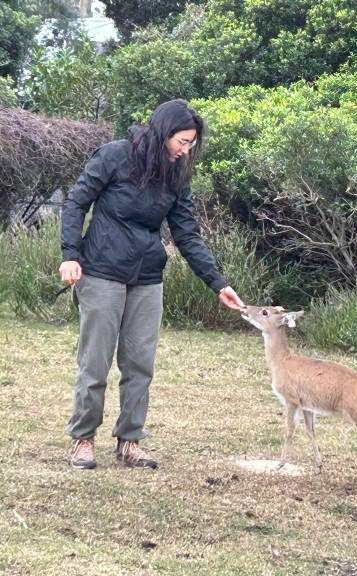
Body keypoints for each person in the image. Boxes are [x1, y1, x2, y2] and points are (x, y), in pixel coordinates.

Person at [58, 99, 244, 470]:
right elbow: (76, 203)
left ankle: (130, 441)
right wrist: (70, 254)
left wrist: (217, 283)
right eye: (183, 141)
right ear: (164, 131)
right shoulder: (114, 156)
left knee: (140, 365)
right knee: (94, 363)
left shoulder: (177, 176)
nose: (186, 149)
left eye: (192, 144)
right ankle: (83, 439)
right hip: (102, 272)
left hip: (147, 278)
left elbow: (187, 235)